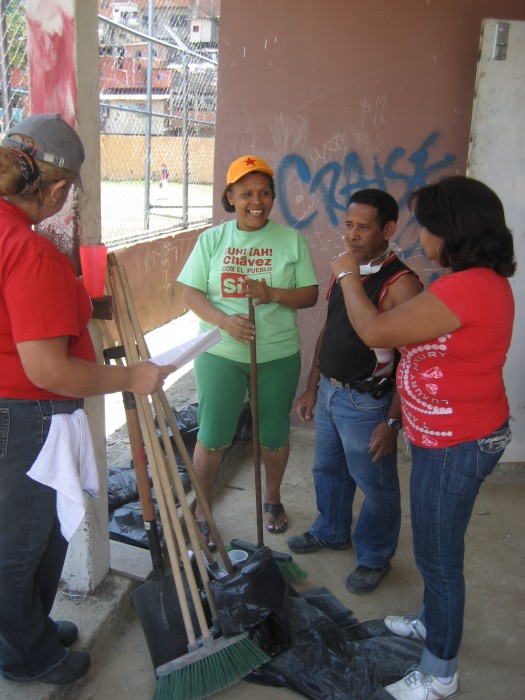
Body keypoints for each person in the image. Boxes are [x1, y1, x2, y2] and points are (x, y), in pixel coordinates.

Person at [0, 114, 173, 686]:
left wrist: (78, 305)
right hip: (25, 416)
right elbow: (49, 368)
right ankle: (26, 653)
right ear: (53, 189)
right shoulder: (30, 252)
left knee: (32, 536)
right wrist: (132, 379)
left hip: (12, 411)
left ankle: (30, 627)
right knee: (24, 545)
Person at [330, 176, 515, 699]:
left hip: (458, 443)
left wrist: (347, 276)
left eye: (427, 225)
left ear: (452, 229)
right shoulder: (475, 282)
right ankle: (432, 623)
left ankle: (439, 673)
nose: (422, 236)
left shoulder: (468, 286)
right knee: (439, 547)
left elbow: (374, 333)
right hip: (450, 436)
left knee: (438, 558)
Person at [177, 155, 318, 548]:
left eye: (264, 193)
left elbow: (310, 294)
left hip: (276, 354)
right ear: (230, 197)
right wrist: (223, 321)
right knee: (213, 435)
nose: (256, 201)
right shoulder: (212, 239)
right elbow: (190, 292)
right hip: (220, 353)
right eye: (246, 193)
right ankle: (203, 510)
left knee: (273, 434)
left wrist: (271, 294)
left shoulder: (291, 241)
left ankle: (271, 499)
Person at [288, 188, 422, 594]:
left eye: (364, 227)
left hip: (367, 403)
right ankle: (331, 530)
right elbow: (330, 332)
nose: (353, 234)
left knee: (375, 484)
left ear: (389, 229)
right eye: (348, 225)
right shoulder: (346, 269)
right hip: (331, 392)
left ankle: (374, 556)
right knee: (327, 469)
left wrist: (393, 422)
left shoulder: (402, 283)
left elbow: (412, 360)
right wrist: (313, 387)